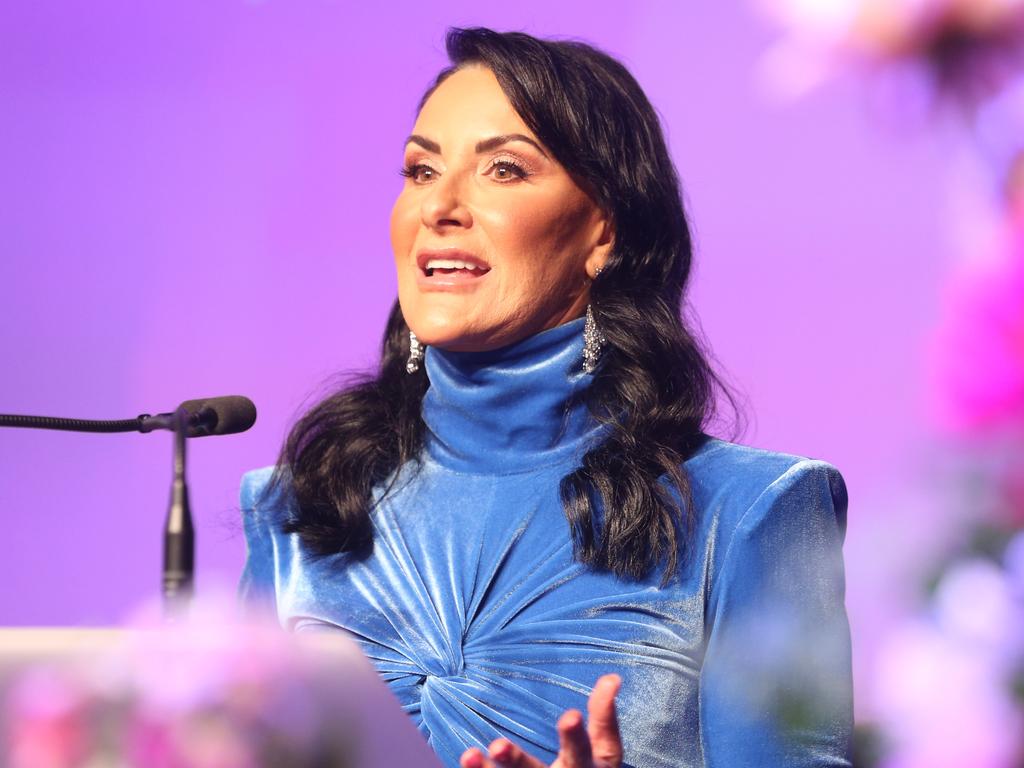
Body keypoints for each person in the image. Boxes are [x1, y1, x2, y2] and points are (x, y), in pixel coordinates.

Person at [238, 27, 853, 768]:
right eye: (420, 169)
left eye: (503, 169)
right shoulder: (301, 510)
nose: (440, 207)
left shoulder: (750, 513)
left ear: (605, 230)